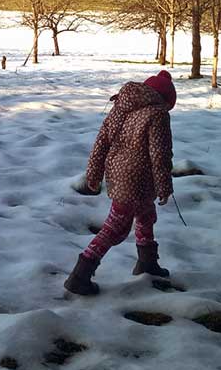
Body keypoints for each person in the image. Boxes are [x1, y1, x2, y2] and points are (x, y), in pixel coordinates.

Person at [64, 70, 176, 296]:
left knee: (145, 215)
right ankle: (80, 275)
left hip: (118, 175)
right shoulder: (158, 114)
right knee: (115, 227)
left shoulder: (121, 107)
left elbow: (100, 144)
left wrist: (94, 176)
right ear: (165, 99)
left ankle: (147, 262)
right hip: (137, 179)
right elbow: (159, 154)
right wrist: (164, 187)